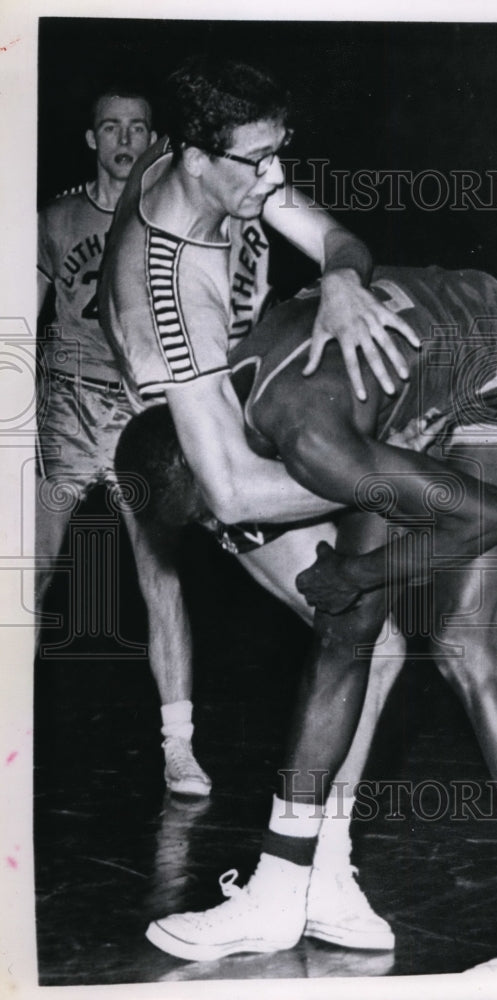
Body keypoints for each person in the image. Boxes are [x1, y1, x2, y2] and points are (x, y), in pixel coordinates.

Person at [116, 264, 497, 972]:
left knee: (461, 644)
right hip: (393, 393)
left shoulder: (309, 436)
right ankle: (285, 889)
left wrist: (355, 570)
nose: (235, 529)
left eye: (220, 512)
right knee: (344, 629)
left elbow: (487, 518)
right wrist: (349, 581)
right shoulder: (232, 412)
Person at [99, 56, 423, 951]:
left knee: (374, 643)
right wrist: (401, 483)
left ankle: (321, 870)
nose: (275, 178)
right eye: (258, 162)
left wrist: (345, 280)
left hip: (243, 398)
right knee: (368, 634)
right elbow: (232, 483)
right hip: (196, 450)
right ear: (196, 160)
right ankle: (293, 877)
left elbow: (333, 240)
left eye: (281, 154)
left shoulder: (233, 172)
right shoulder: (165, 290)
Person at [36, 87, 211, 797]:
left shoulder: (170, 223)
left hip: (139, 410)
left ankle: (179, 747)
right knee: (30, 571)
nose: (124, 138)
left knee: (160, 579)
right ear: (90, 139)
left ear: (154, 141)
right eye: (110, 125)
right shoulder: (55, 217)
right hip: (65, 405)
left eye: (138, 127)